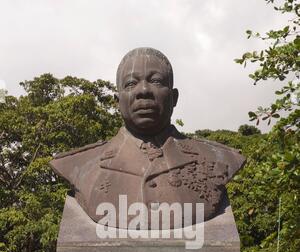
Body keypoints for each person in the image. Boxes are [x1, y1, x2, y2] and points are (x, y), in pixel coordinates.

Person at [50, 47, 245, 229]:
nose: (143, 90)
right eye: (130, 83)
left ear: (174, 97)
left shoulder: (218, 159)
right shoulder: (80, 164)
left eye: (157, 81)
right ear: (118, 101)